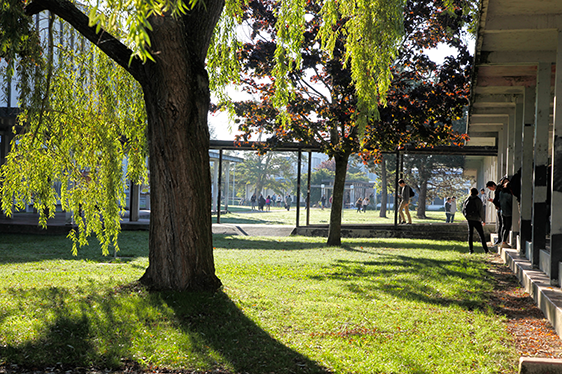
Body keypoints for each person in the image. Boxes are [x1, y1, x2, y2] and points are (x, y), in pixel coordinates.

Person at [462, 187, 489, 254]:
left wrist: (467, 217)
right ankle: (486, 250)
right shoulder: (478, 200)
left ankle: (471, 250)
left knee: (470, 235)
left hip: (470, 220)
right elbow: (481, 211)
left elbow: (463, 210)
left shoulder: (467, 199)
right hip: (477, 219)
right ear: (477, 192)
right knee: (481, 235)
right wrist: (483, 220)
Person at [486, 180, 503, 245]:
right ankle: (501, 239)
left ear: (493, 185)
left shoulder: (497, 191)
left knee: (501, 225)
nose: (491, 189)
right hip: (501, 209)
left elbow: (496, 202)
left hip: (500, 209)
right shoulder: (499, 190)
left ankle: (500, 239)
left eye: (490, 188)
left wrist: (492, 200)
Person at [499, 178, 513, 248]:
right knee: (507, 227)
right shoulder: (509, 195)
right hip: (508, 212)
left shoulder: (501, 193)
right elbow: (511, 203)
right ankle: (504, 242)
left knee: (503, 226)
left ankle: (502, 241)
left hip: (502, 211)